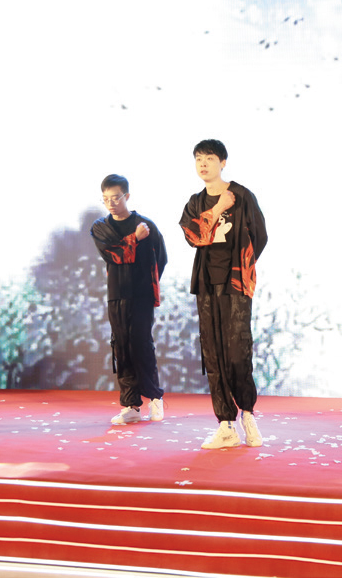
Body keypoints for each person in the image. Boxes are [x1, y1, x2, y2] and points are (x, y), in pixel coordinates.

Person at [179, 139, 268, 449]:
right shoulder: (195, 202)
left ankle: (247, 414)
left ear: (223, 162)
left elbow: (259, 236)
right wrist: (217, 209)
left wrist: (242, 266)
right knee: (213, 354)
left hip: (236, 283)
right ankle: (225, 424)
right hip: (206, 283)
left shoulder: (242, 196)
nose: (203, 164)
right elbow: (193, 235)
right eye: (198, 159)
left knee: (238, 351)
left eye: (209, 158)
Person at [91, 174, 168, 424]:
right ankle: (131, 405)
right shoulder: (101, 227)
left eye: (116, 198)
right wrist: (135, 238)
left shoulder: (146, 225)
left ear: (127, 196)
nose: (111, 203)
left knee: (141, 344)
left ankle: (155, 398)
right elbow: (112, 254)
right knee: (121, 346)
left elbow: (161, 259)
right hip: (117, 294)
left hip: (142, 295)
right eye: (106, 199)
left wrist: (146, 281)